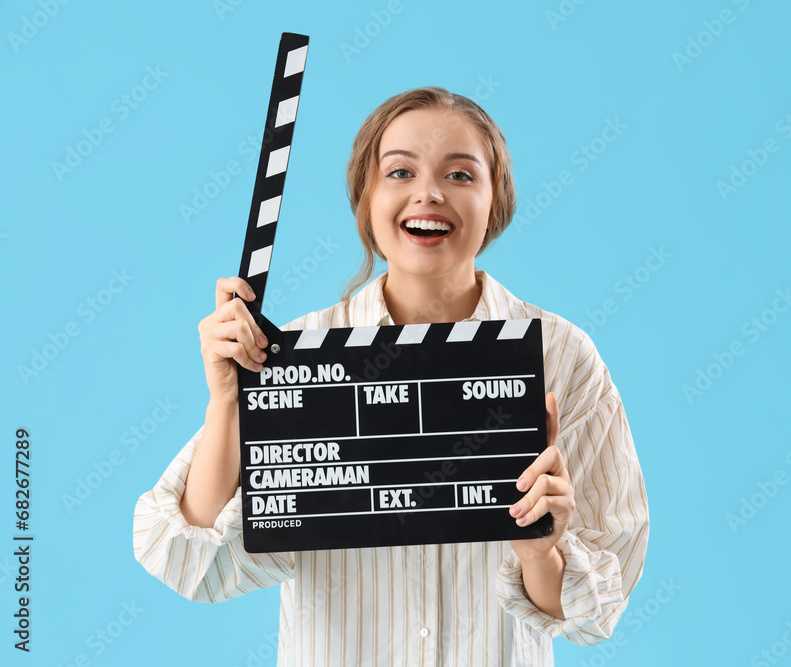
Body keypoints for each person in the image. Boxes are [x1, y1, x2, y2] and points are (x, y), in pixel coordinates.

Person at [133, 86, 649, 666]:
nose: (427, 193)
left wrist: (539, 553)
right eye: (399, 172)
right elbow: (193, 563)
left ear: (495, 199)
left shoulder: (561, 356)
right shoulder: (295, 358)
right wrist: (228, 402)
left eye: (460, 175)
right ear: (366, 196)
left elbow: (599, 606)